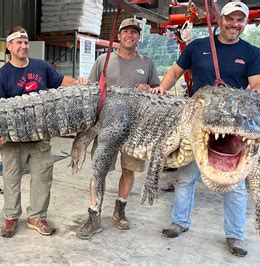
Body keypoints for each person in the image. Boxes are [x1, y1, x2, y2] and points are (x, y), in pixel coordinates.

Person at [150, 2, 260, 257]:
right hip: (199, 125)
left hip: (232, 127)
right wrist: (163, 88)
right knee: (185, 176)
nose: (235, 24)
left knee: (234, 184)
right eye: (230, 19)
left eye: (240, 20)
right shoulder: (198, 47)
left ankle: (235, 235)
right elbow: (175, 71)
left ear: (245, 23)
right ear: (220, 20)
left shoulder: (252, 53)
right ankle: (179, 222)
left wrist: (249, 101)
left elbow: (259, 86)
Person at [0, 26, 88, 238]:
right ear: (9, 46)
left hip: (40, 136)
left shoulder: (41, 67)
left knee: (43, 176)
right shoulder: (1, 76)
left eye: (26, 42)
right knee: (11, 178)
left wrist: (78, 82)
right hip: (12, 139)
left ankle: (36, 216)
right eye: (19, 42)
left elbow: (62, 81)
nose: (24, 46)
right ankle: (10, 217)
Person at [76, 17, 160, 240]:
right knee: (98, 170)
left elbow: (157, 90)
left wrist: (149, 87)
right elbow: (92, 90)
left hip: (135, 128)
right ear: (119, 35)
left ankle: (120, 209)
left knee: (129, 169)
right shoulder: (104, 60)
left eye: (134, 32)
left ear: (138, 37)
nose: (129, 36)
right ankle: (94, 214)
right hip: (106, 126)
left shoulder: (147, 63)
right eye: (126, 32)